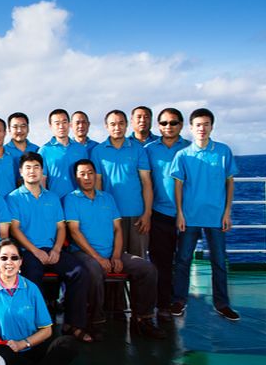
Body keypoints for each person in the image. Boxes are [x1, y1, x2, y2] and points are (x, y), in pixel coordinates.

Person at [64, 160, 165, 340]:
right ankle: (95, 321)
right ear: (76, 177)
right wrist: (98, 258)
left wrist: (117, 256)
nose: (87, 177)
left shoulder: (107, 198)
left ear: (96, 175)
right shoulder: (71, 199)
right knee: (94, 271)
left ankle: (143, 319)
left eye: (90, 173)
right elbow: (74, 231)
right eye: (82, 174)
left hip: (111, 252)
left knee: (147, 269)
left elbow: (118, 229)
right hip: (83, 254)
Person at [7, 152, 90, 341]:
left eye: (36, 167)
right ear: (21, 172)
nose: (32, 171)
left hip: (53, 250)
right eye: (28, 167)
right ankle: (41, 327)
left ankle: (73, 324)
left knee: (79, 272)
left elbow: (61, 227)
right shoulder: (14, 198)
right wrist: (35, 251)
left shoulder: (52, 198)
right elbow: (15, 230)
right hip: (28, 252)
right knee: (33, 278)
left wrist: (57, 249)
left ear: (42, 171)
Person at [170, 108, 240, 321]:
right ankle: (179, 300)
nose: (202, 128)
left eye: (206, 124)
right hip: (190, 216)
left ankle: (222, 303)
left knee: (219, 261)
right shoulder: (182, 155)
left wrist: (227, 212)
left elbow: (230, 182)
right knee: (182, 260)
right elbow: (178, 186)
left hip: (216, 217)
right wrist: (180, 213)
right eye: (198, 125)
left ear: (212, 126)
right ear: (191, 128)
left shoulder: (223, 151)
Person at [91, 109, 154, 261]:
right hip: (110, 214)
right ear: (106, 126)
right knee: (113, 262)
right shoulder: (98, 151)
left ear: (127, 125)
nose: (117, 127)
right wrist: (100, 214)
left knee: (139, 264)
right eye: (112, 124)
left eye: (121, 124)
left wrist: (147, 214)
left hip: (136, 215)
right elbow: (97, 185)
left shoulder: (138, 150)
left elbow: (146, 183)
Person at [145, 108, 189, 319]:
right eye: (163, 123)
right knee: (160, 262)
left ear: (181, 125)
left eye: (173, 123)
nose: (168, 127)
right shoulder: (149, 149)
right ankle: (163, 304)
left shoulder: (190, 148)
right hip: (160, 213)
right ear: (158, 126)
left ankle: (179, 300)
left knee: (182, 260)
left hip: (188, 214)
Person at [39, 108, 88, 197]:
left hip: (79, 201)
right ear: (50, 126)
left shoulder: (81, 149)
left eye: (64, 122)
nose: (61, 126)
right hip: (56, 201)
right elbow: (42, 181)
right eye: (57, 123)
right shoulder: (44, 151)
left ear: (69, 124)